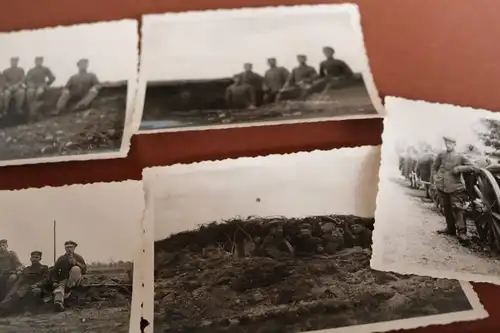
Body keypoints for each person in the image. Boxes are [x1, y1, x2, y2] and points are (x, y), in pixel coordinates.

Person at [433, 136, 478, 244]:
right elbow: (434, 167)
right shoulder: (441, 155)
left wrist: (459, 169)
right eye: (446, 143)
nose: (447, 145)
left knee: (458, 210)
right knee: (446, 208)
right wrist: (435, 178)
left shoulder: (460, 156)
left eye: (450, 144)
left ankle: (462, 233)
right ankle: (450, 228)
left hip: (455, 188)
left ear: (454, 145)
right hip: (442, 186)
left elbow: (474, 167)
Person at [52, 240, 87, 312]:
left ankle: (70, 288)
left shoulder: (78, 257)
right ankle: (58, 303)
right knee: (59, 290)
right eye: (67, 247)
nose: (69, 249)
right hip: (64, 280)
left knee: (76, 269)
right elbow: (54, 271)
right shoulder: (61, 259)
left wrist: (76, 263)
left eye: (71, 247)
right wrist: (55, 281)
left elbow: (84, 269)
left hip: (77, 280)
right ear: (65, 248)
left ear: (74, 248)